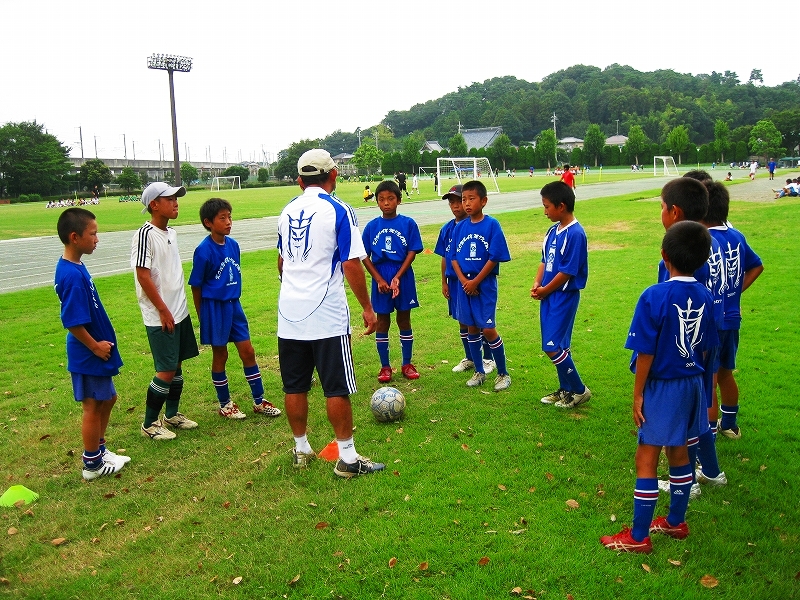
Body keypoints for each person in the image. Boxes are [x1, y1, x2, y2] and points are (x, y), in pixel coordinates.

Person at [601, 221, 718, 553]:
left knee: (646, 458)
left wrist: (638, 393)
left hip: (663, 388)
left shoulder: (654, 295)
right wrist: (704, 390)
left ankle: (638, 537)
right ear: (703, 258)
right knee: (680, 452)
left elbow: (646, 352)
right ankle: (675, 522)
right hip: (693, 385)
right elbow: (709, 349)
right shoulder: (706, 296)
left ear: (664, 255)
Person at [277, 149, 383, 478]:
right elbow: (351, 262)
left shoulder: (286, 210)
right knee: (335, 387)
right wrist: (367, 307)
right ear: (333, 175)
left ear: (299, 181)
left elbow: (281, 262)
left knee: (294, 386)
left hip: (288, 313)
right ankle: (348, 459)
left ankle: (301, 448)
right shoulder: (338, 210)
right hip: (326, 313)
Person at [189, 198, 282, 420]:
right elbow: (196, 286)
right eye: (223, 218)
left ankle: (259, 401)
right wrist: (203, 315)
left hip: (234, 306)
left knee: (248, 351)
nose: (229, 222)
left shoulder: (233, 245)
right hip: (214, 308)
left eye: (230, 216)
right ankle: (225, 404)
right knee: (221, 354)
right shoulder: (203, 250)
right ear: (208, 222)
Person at [55, 208, 128, 480]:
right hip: (88, 352)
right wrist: (95, 346)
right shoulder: (71, 275)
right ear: (75, 237)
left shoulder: (76, 266)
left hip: (96, 350)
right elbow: (72, 321)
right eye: (93, 234)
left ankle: (99, 449)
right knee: (92, 406)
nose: (97, 239)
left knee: (108, 398)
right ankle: (92, 465)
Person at [132, 182, 200, 441]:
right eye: (169, 198)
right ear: (154, 204)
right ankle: (150, 423)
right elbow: (142, 274)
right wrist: (162, 309)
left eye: (176, 198)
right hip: (160, 314)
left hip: (178, 310)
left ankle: (172, 414)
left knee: (177, 363)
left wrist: (177, 307)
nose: (176, 202)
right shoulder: (145, 234)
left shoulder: (170, 233)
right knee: (166, 368)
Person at [703, 184, 763, 440]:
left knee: (709, 381)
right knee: (726, 374)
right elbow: (756, 266)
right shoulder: (737, 235)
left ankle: (709, 438)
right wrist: (735, 293)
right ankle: (730, 425)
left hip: (712, 322)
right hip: (732, 318)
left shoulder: (703, 241)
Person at [532, 181, 591, 408]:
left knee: (551, 346)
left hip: (563, 296)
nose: (545, 211)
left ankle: (579, 390)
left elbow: (568, 271)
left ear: (562, 206)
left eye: (547, 207)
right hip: (548, 295)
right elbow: (544, 260)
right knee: (559, 346)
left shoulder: (576, 234)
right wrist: (538, 283)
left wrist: (546, 289)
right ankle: (565, 389)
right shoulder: (551, 231)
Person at [450, 180, 512, 391]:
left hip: (483, 285)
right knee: (471, 328)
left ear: (484, 201)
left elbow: (494, 257)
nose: (466, 203)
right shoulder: (460, 227)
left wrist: (475, 281)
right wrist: (465, 281)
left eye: (471, 198)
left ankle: (503, 373)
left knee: (488, 328)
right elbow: (454, 258)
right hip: (464, 285)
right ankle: (479, 371)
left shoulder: (492, 225)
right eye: (463, 199)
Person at [361, 180, 423, 383]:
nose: (386, 203)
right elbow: (364, 256)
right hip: (381, 275)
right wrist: (379, 279)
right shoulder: (372, 227)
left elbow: (412, 251)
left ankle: (407, 363)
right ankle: (385, 367)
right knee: (383, 320)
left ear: (399, 200)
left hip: (403, 274)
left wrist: (397, 277)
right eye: (381, 199)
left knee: (404, 319)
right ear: (376, 202)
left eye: (390, 199)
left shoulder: (408, 223)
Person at [433, 185, 496, 376]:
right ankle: (470, 357)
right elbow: (445, 257)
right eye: (451, 202)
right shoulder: (447, 229)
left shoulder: (478, 225)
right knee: (463, 320)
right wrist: (444, 282)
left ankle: (487, 359)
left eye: (458, 200)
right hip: (455, 281)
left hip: (474, 281)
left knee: (481, 321)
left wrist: (475, 281)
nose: (455, 205)